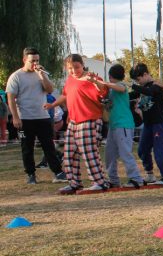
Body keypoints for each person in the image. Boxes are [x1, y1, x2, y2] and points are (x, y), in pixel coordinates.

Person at [47, 54, 110, 194]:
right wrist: (52, 105)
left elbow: (103, 91)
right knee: (69, 153)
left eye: (76, 67)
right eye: (70, 68)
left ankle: (99, 182)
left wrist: (94, 81)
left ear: (82, 65)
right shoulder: (70, 80)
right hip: (73, 121)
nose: (74, 70)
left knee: (89, 152)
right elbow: (65, 95)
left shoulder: (91, 77)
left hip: (90, 119)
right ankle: (74, 183)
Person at [6, 47, 66, 184]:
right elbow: (10, 97)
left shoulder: (42, 74)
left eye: (37, 60)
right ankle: (31, 174)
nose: (35, 64)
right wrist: (15, 117)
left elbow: (50, 90)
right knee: (27, 147)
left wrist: (42, 76)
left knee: (49, 146)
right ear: (24, 60)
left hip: (43, 117)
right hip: (25, 119)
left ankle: (58, 172)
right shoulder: (16, 76)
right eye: (32, 61)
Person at [97, 64, 146, 188]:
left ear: (110, 76)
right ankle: (113, 179)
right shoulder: (112, 90)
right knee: (110, 154)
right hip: (114, 125)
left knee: (125, 153)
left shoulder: (121, 86)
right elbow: (109, 105)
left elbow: (121, 89)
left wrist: (104, 83)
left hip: (124, 125)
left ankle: (136, 178)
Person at [130, 63, 163, 185]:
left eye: (138, 80)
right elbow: (130, 95)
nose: (138, 83)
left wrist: (133, 86)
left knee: (159, 151)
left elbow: (149, 92)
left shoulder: (156, 85)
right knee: (142, 149)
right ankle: (150, 174)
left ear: (145, 74)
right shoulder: (142, 87)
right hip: (148, 124)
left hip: (159, 123)